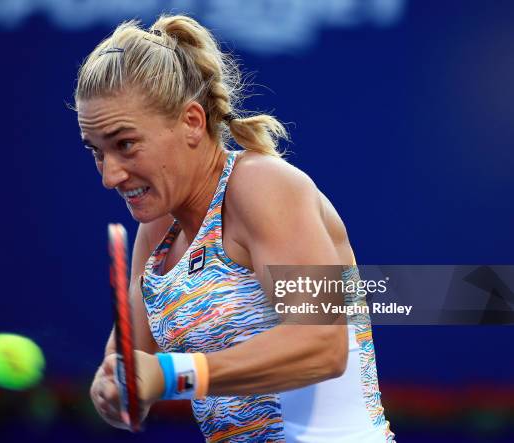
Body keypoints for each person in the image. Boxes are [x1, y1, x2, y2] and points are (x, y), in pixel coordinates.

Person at [75, 14, 395, 442]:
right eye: (97, 152)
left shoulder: (262, 185)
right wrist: (115, 387)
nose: (109, 176)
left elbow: (322, 344)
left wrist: (171, 374)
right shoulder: (157, 231)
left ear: (192, 122)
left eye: (125, 144)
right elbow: (129, 363)